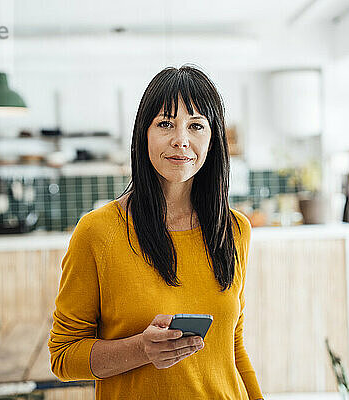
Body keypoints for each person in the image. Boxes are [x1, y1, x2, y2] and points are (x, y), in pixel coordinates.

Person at [48, 65, 264, 400]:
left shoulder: (235, 229)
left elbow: (232, 348)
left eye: (196, 125)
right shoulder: (97, 232)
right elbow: (63, 356)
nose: (181, 140)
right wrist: (142, 350)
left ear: (214, 139)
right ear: (143, 134)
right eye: (165, 123)